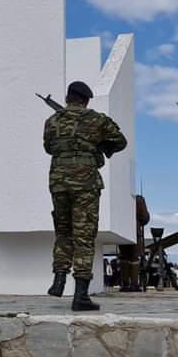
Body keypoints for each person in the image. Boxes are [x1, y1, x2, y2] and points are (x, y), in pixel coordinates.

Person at [44, 81, 127, 311]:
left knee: (63, 231)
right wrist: (98, 144)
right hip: (85, 183)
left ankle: (59, 278)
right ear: (85, 99)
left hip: (58, 182)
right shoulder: (97, 119)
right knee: (84, 235)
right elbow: (120, 141)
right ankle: (80, 295)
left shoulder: (52, 120)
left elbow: (48, 148)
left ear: (68, 96)